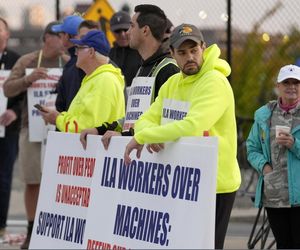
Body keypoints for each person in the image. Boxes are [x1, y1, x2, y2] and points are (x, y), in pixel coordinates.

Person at [123, 23, 241, 249]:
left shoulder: (215, 82)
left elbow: (193, 125)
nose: (190, 57)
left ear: (203, 48)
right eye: (183, 52)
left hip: (215, 185)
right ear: (172, 54)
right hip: (181, 181)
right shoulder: (172, 83)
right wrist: (148, 134)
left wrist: (145, 136)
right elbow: (145, 120)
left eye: (194, 50)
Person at [80, 4, 179, 148]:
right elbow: (133, 117)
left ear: (145, 30)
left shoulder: (168, 70)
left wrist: (125, 135)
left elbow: (166, 123)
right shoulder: (143, 67)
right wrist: (100, 129)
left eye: (132, 26)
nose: (128, 31)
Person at [3, 21, 65, 249]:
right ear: (47, 37)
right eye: (58, 36)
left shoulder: (68, 63)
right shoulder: (28, 60)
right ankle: (30, 230)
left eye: (65, 36)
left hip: (58, 130)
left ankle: (54, 230)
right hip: (31, 128)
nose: (62, 40)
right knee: (32, 180)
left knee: (58, 181)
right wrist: (29, 79)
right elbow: (8, 88)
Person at [246, 64, 300, 249]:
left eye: (296, 83)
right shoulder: (264, 115)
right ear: (278, 86)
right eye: (287, 82)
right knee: (283, 245)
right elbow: (251, 147)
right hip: (274, 196)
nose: (291, 86)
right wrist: (264, 167)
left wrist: (295, 145)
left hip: (299, 196)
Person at [40, 30, 125, 134]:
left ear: (91, 52)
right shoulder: (95, 79)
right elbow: (84, 120)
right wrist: (59, 117)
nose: (76, 53)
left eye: (79, 48)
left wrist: (58, 119)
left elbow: (88, 127)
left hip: (93, 149)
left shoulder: (104, 80)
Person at [0, 17, 21, 238]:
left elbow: (25, 93)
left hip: (8, 129)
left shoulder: (16, 60)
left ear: (7, 34)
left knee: (4, 178)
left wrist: (15, 112)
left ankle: (2, 225)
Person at [51, 15, 84, 112]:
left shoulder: (75, 65)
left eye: (60, 35)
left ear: (68, 36)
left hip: (71, 124)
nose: (60, 38)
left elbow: (70, 101)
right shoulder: (82, 61)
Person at [109, 10, 141, 87]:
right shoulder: (109, 55)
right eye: (118, 31)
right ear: (112, 32)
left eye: (125, 29)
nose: (123, 34)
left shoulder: (142, 52)